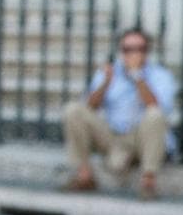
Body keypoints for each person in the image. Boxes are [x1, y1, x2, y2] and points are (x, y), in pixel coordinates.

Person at [62, 28, 176, 200]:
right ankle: (84, 176)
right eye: (127, 49)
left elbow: (158, 108)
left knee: (154, 115)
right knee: (73, 110)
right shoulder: (110, 72)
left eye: (139, 49)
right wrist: (106, 82)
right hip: (113, 136)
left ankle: (148, 182)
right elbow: (90, 106)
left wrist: (137, 76)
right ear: (121, 51)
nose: (133, 54)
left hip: (141, 138)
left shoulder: (161, 76)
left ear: (146, 52)